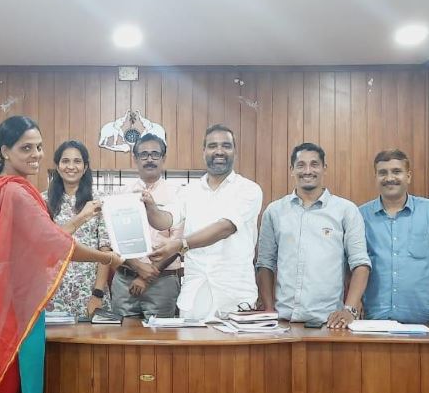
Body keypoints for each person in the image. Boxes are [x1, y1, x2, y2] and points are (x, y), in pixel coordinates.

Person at [0, 116, 124, 393]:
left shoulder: (3, 188)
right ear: (5, 151)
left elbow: (43, 242)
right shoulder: (15, 192)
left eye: (39, 147)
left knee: (1, 386)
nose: (36, 155)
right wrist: (107, 259)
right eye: (26, 148)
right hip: (22, 311)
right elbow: (56, 244)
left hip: (9, 306)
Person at [142, 124, 263, 320]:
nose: (219, 151)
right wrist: (150, 207)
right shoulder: (189, 191)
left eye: (226, 146)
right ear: (204, 151)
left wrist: (180, 244)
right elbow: (164, 220)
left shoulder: (249, 189)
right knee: (192, 341)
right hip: (195, 295)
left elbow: (225, 228)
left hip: (235, 295)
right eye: (213, 146)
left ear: (235, 151)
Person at [256, 143, 371, 328]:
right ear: (292, 170)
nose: (307, 171)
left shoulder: (346, 210)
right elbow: (264, 264)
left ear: (324, 168)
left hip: (330, 323)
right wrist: (269, 309)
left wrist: (349, 310)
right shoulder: (274, 211)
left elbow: (360, 264)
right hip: (283, 323)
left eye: (314, 164)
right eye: (301, 165)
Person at [359, 149, 429, 325]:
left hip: (421, 315)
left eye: (396, 171)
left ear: (408, 176)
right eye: (383, 173)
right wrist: (355, 300)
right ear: (376, 177)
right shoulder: (360, 214)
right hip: (373, 315)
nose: (389, 178)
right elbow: (352, 260)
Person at [110, 133, 184, 318]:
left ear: (163, 158)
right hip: (124, 279)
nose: (149, 159)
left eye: (155, 154)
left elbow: (179, 241)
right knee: (122, 333)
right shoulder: (120, 194)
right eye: (143, 155)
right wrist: (138, 267)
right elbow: (113, 239)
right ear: (135, 158)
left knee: (160, 334)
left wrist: (146, 277)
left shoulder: (178, 194)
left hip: (163, 281)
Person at [42, 140, 112, 319]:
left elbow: (105, 251)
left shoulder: (99, 201)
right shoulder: (42, 201)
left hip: (89, 291)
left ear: (85, 167)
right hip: (52, 291)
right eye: (65, 161)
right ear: (57, 167)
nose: (71, 166)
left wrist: (97, 293)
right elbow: (43, 248)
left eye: (77, 161)